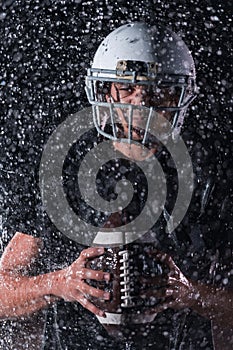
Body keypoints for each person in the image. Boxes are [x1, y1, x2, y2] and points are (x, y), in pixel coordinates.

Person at [0, 22, 232, 350]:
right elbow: (3, 293)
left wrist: (191, 294)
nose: (141, 105)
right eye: (127, 88)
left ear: (180, 95)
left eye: (158, 89)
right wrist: (59, 283)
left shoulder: (209, 175)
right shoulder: (63, 171)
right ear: (105, 91)